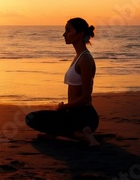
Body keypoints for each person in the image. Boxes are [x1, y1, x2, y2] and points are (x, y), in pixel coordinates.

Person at [25, 18, 100, 146]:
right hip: (72, 113)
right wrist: (65, 108)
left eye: (68, 30)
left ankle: (81, 135)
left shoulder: (85, 59)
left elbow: (86, 97)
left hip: (84, 115)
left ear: (80, 34)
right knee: (34, 118)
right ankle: (72, 132)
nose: (64, 34)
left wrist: (64, 107)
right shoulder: (78, 57)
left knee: (31, 118)